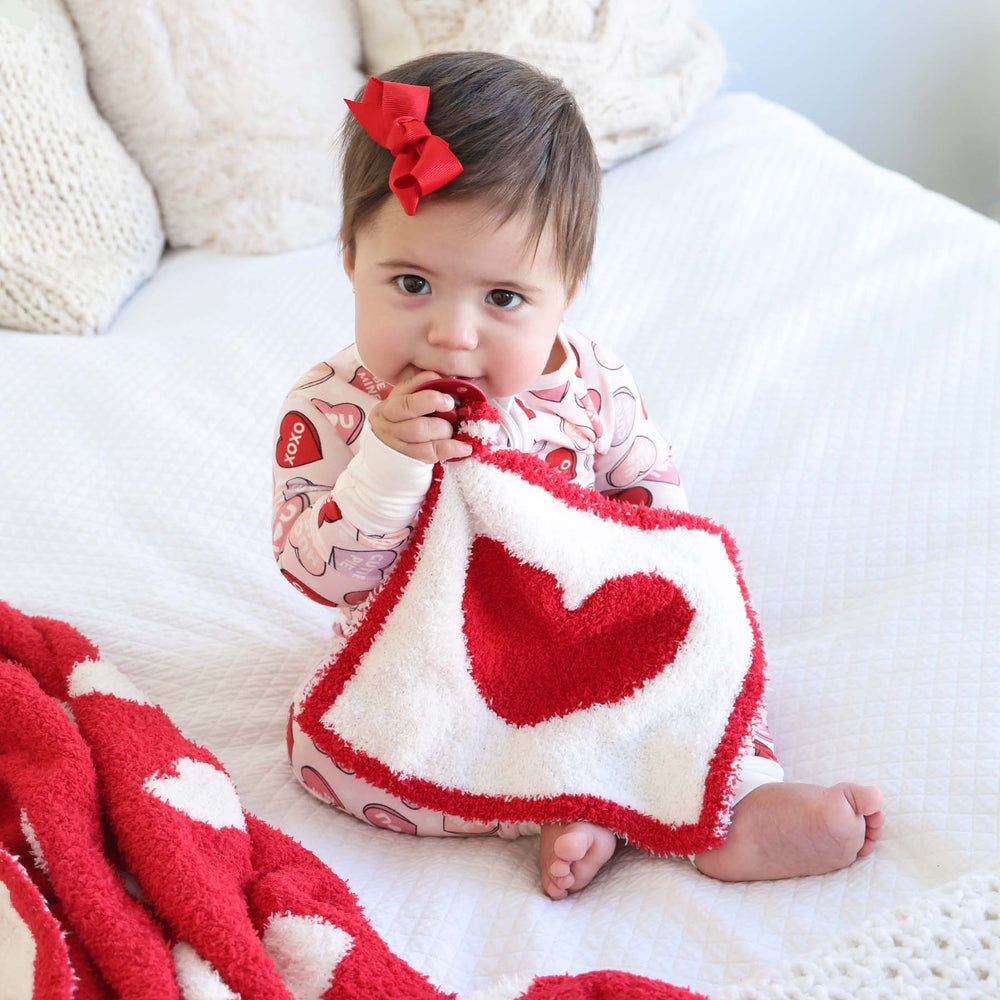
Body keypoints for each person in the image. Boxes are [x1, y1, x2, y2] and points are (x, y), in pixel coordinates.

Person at [273, 51, 884, 900]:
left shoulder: (593, 381)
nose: (453, 334)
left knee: (710, 649)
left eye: (504, 299)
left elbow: (655, 518)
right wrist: (387, 464)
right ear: (349, 258)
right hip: (432, 664)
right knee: (327, 754)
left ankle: (738, 793)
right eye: (411, 283)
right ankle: (586, 797)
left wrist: (668, 608)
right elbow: (320, 576)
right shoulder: (334, 406)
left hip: (578, 637)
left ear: (567, 291)